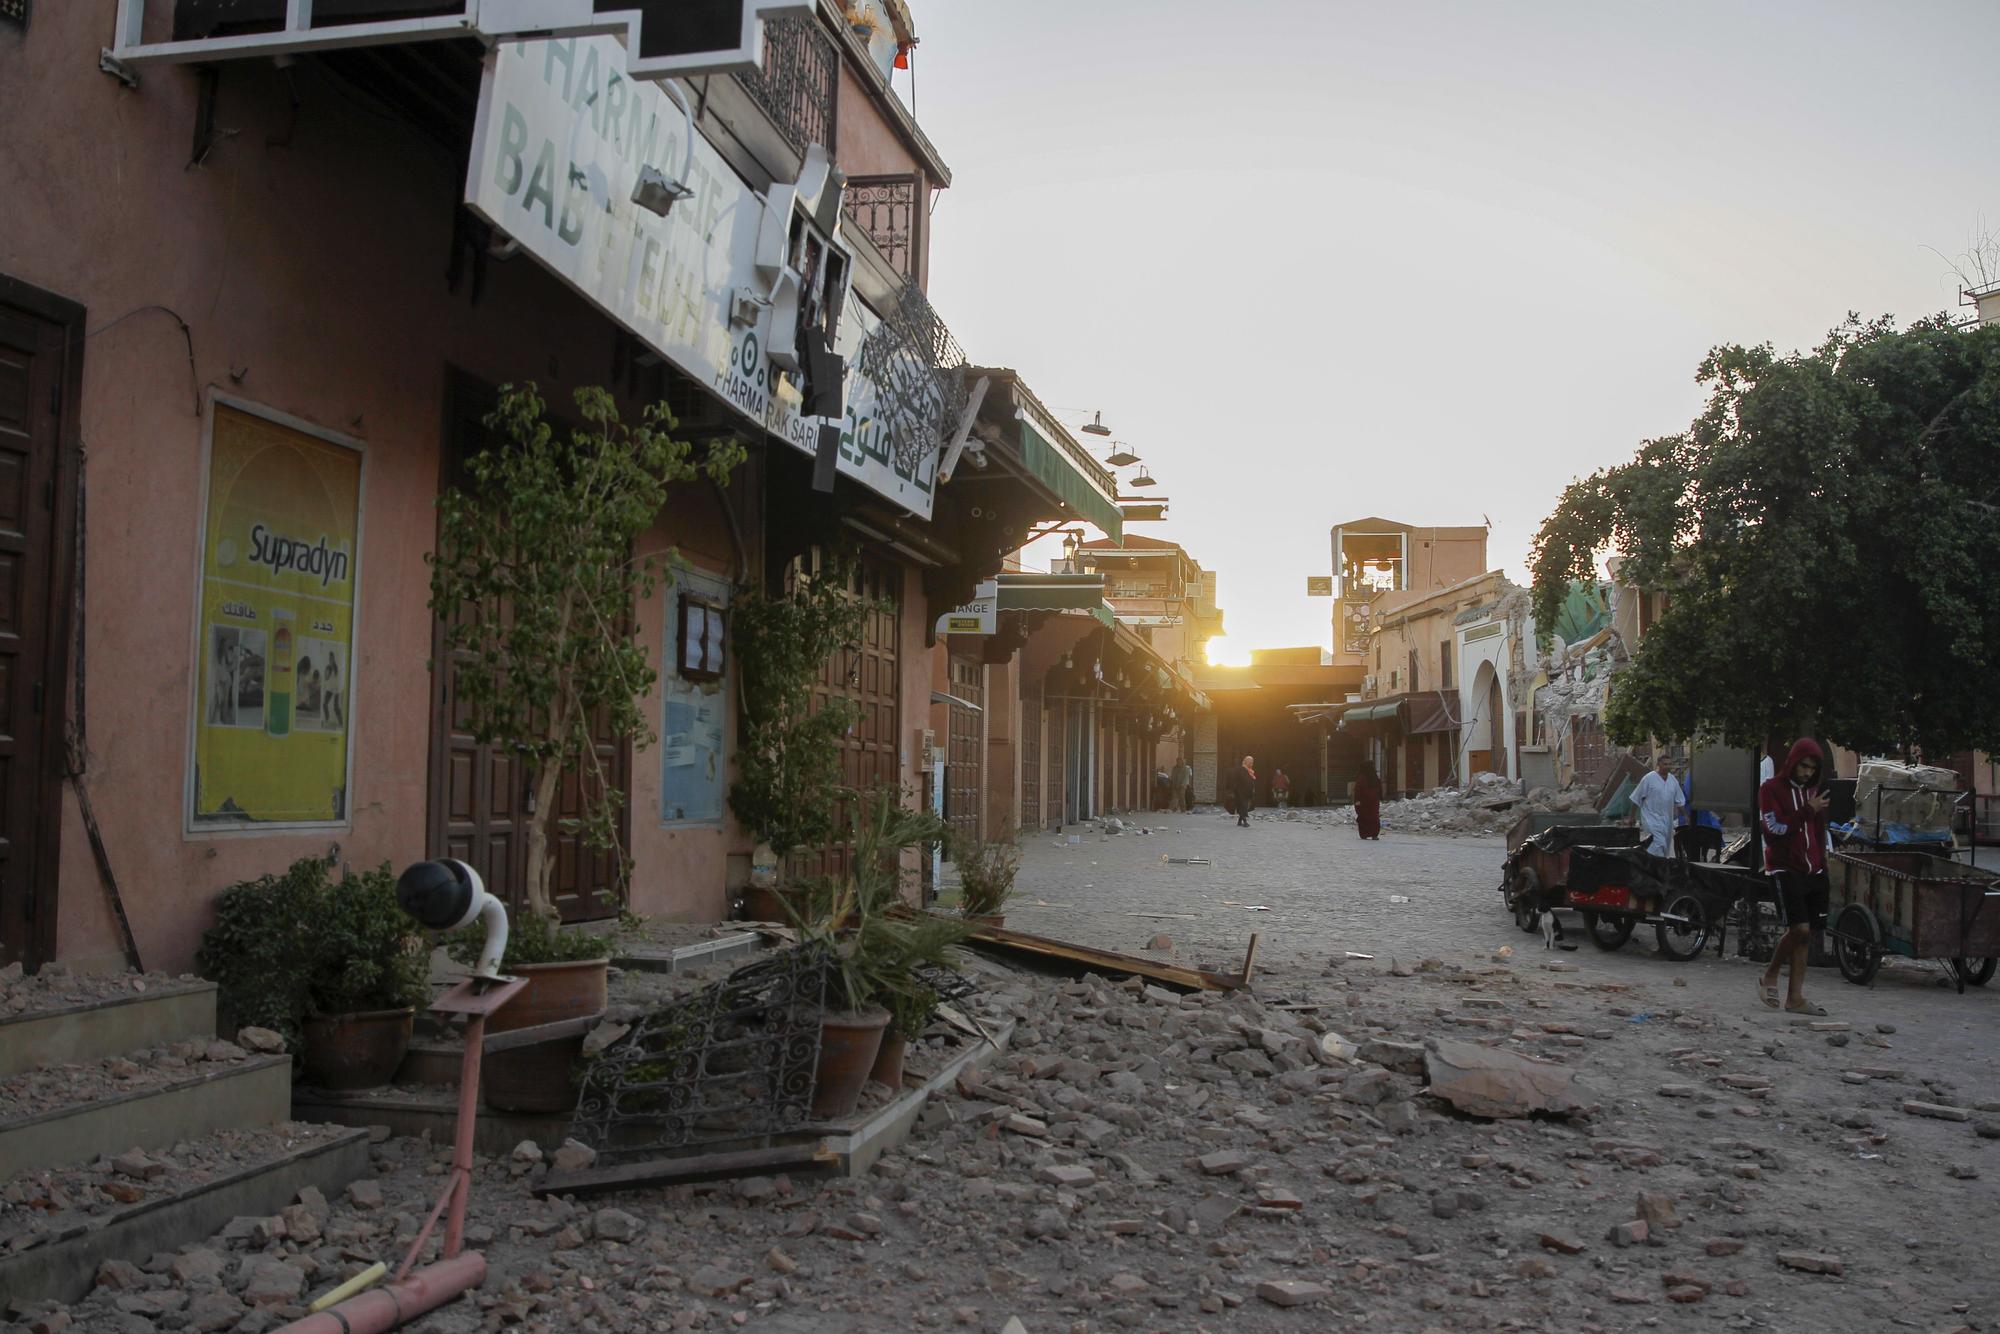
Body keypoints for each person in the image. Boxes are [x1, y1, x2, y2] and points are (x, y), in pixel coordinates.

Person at [1758, 738, 1832, 1015]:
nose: (1806, 772)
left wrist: (1822, 861)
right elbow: (1773, 829)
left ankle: (1796, 997)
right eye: (1803, 765)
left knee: (1806, 934)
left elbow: (1818, 831)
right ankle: (1770, 974)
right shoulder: (1771, 789)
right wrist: (1805, 811)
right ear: (1793, 762)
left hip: (1814, 870)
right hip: (1784, 868)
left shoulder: (1813, 792)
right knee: (1798, 929)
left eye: (1812, 768)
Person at [1631, 752, 1686, 857]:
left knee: (1665, 846)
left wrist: (1687, 816)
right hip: (1650, 818)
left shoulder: (1673, 780)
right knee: (1657, 842)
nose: (1667, 767)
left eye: (1669, 764)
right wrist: (1632, 816)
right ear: (1658, 764)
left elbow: (1679, 801)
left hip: (1667, 820)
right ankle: (1647, 861)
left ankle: (1658, 866)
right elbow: (1636, 798)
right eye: (1665, 764)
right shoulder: (1649, 779)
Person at [1354, 762, 1383, 841]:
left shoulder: (1361, 777)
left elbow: (1357, 789)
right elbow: (1379, 788)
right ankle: (1374, 834)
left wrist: (1357, 800)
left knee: (1363, 817)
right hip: (1374, 801)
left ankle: (1364, 834)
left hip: (1363, 801)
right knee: (1374, 817)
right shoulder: (1375, 777)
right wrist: (1379, 797)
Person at [1229, 755, 1256, 827]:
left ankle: (1239, 821)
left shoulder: (1250, 771)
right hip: (1240, 791)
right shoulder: (1241, 769)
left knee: (1245, 806)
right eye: (1250, 762)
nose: (1251, 764)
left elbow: (1250, 781)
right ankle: (1245, 821)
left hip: (1247, 792)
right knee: (1243, 806)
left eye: (1252, 762)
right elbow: (1241, 780)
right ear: (1246, 762)